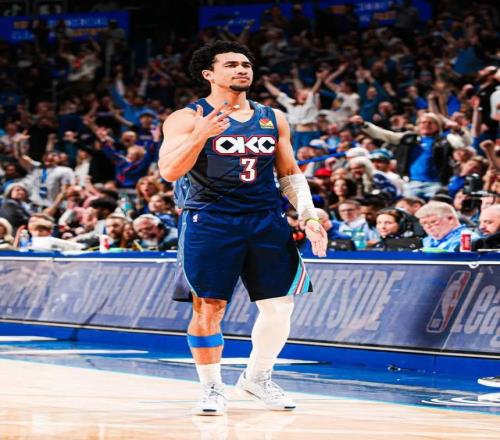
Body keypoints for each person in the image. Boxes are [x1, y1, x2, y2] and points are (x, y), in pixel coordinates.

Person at [158, 41, 327, 416]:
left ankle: (257, 378)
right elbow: (169, 171)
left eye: (246, 64)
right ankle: (211, 387)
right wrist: (200, 135)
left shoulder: (272, 117)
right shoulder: (186, 118)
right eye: (232, 64)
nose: (242, 69)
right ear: (209, 74)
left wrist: (309, 214)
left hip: (267, 220)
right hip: (211, 220)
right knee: (209, 307)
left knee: (280, 308)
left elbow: (289, 172)